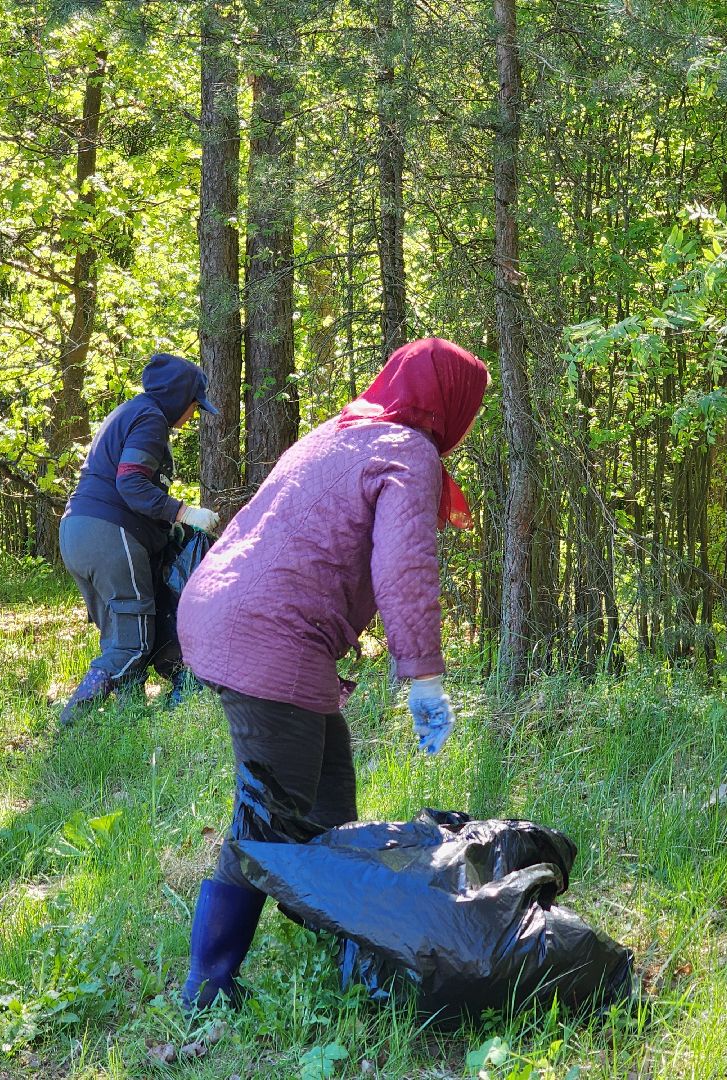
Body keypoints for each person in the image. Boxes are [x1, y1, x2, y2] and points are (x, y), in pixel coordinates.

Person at [174, 336, 490, 1010]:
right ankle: (206, 989)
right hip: (267, 633)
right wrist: (424, 677)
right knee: (269, 816)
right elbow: (404, 567)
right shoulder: (407, 451)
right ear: (451, 404)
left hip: (229, 611)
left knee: (326, 795)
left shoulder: (343, 431)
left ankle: (348, 956)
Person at [56, 352, 223, 727]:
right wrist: (184, 513)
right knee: (132, 644)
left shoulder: (130, 412)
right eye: (195, 406)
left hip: (77, 532)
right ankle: (71, 723)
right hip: (110, 535)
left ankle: (128, 722)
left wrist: (168, 529)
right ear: (180, 398)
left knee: (120, 636)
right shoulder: (150, 418)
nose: (193, 416)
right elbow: (130, 482)